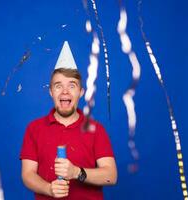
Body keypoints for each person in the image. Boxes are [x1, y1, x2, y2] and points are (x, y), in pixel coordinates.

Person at [20, 41, 117, 199]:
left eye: (72, 85)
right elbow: (27, 174)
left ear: (81, 92)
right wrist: (48, 189)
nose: (65, 91)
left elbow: (111, 176)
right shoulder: (34, 128)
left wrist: (76, 172)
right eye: (58, 86)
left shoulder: (96, 129)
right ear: (51, 92)